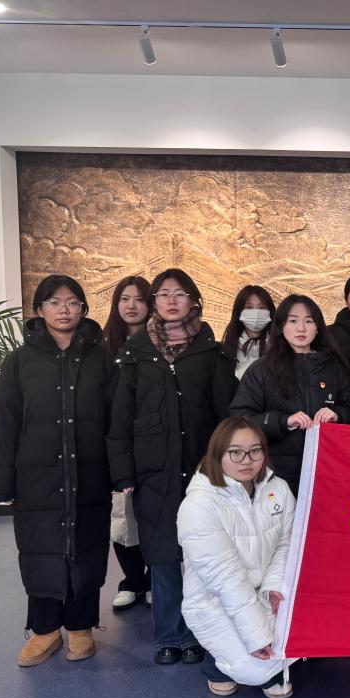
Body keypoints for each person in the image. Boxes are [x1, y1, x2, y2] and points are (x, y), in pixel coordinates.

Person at [108, 268, 238, 666]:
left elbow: (227, 415)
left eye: (179, 294)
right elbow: (120, 418)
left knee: (200, 555)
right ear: (154, 302)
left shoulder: (211, 352)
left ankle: (197, 633)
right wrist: (123, 472)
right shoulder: (135, 355)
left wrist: (228, 465)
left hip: (203, 470)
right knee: (163, 555)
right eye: (163, 294)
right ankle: (167, 636)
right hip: (153, 471)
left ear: (193, 301)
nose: (171, 300)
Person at [0, 275, 115, 666]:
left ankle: (81, 628)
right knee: (40, 550)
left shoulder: (101, 359)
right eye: (54, 302)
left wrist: (120, 472)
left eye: (72, 302)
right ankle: (44, 631)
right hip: (36, 478)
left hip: (89, 474)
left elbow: (116, 420)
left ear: (83, 309)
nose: (64, 310)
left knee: (86, 548)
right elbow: (3, 423)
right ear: (39, 310)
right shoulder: (19, 361)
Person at [178, 417, 296, 698]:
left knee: (310, 633)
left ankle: (267, 663)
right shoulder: (198, 505)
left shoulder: (278, 489)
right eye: (236, 452)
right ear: (218, 453)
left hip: (263, 588)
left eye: (255, 451)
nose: (247, 460)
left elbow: (286, 545)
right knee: (256, 670)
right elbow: (225, 579)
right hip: (215, 599)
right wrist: (258, 637)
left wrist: (274, 588)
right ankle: (218, 668)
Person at [229, 295, 350, 496]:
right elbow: (239, 419)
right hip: (275, 475)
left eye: (309, 321)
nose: (301, 328)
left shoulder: (334, 367)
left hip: (327, 473)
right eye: (293, 321)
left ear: (318, 327)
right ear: (281, 326)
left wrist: (337, 415)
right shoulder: (262, 369)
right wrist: (283, 421)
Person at [101, 275, 152, 611]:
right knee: (121, 518)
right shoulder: (102, 348)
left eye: (139, 299)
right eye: (124, 298)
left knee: (152, 516)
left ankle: (153, 580)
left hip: (149, 441)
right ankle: (132, 580)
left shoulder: (161, 345)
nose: (131, 306)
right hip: (113, 442)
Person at [222, 286, 276, 379]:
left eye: (262, 307)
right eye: (249, 307)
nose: (256, 313)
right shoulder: (225, 350)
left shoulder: (280, 348)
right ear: (239, 312)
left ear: (270, 312)